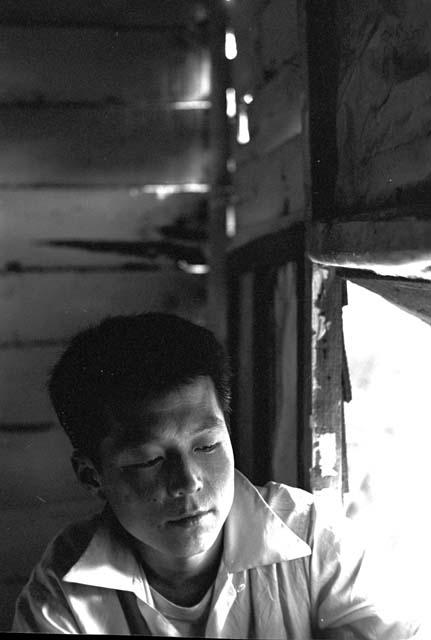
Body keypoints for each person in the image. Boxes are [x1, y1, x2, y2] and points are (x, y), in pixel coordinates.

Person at [12, 313, 419, 638]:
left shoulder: (312, 539)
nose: (187, 481)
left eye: (207, 446)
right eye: (149, 461)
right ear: (91, 476)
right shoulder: (64, 590)